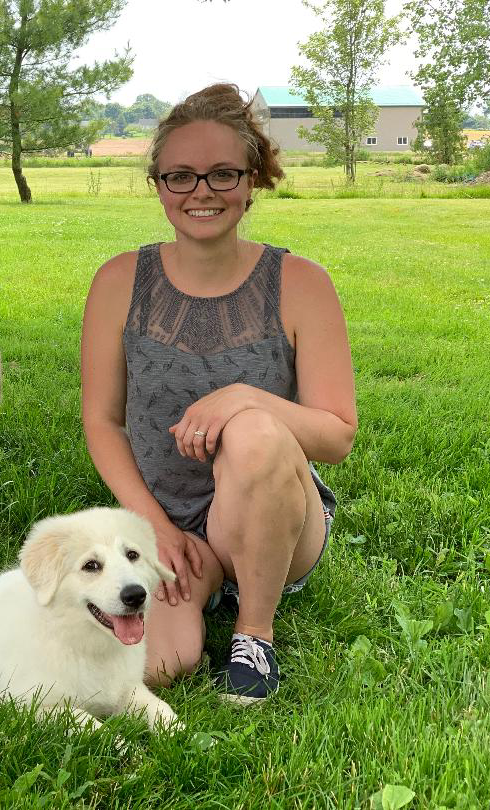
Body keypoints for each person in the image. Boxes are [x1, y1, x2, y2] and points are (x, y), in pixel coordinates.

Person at [80, 84, 356, 703]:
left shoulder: (302, 284)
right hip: (166, 524)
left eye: (222, 173)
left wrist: (243, 397)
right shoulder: (120, 281)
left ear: (252, 179)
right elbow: (102, 421)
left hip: (272, 522)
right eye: (180, 176)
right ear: (157, 184)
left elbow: (336, 435)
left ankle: (254, 634)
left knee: (254, 431)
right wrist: (156, 528)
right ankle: (200, 591)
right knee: (159, 666)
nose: (201, 192)